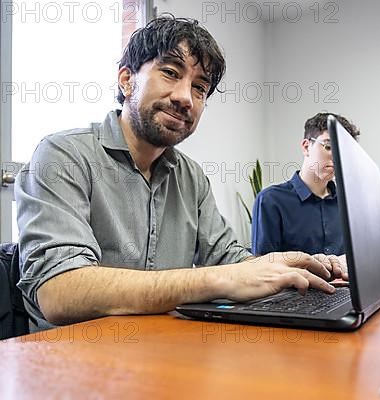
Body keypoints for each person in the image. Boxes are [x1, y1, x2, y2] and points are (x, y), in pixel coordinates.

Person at [15, 16, 344, 330]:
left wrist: (297, 266)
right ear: (127, 79)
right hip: (74, 361)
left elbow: (230, 260)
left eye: (200, 88)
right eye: (171, 72)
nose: (186, 97)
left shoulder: (191, 177)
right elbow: (58, 291)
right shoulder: (62, 156)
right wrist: (215, 279)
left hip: (164, 352)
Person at [251, 112, 360, 258]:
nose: (337, 157)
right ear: (306, 147)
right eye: (328, 147)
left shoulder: (349, 203)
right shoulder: (271, 201)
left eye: (342, 150)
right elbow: (264, 269)